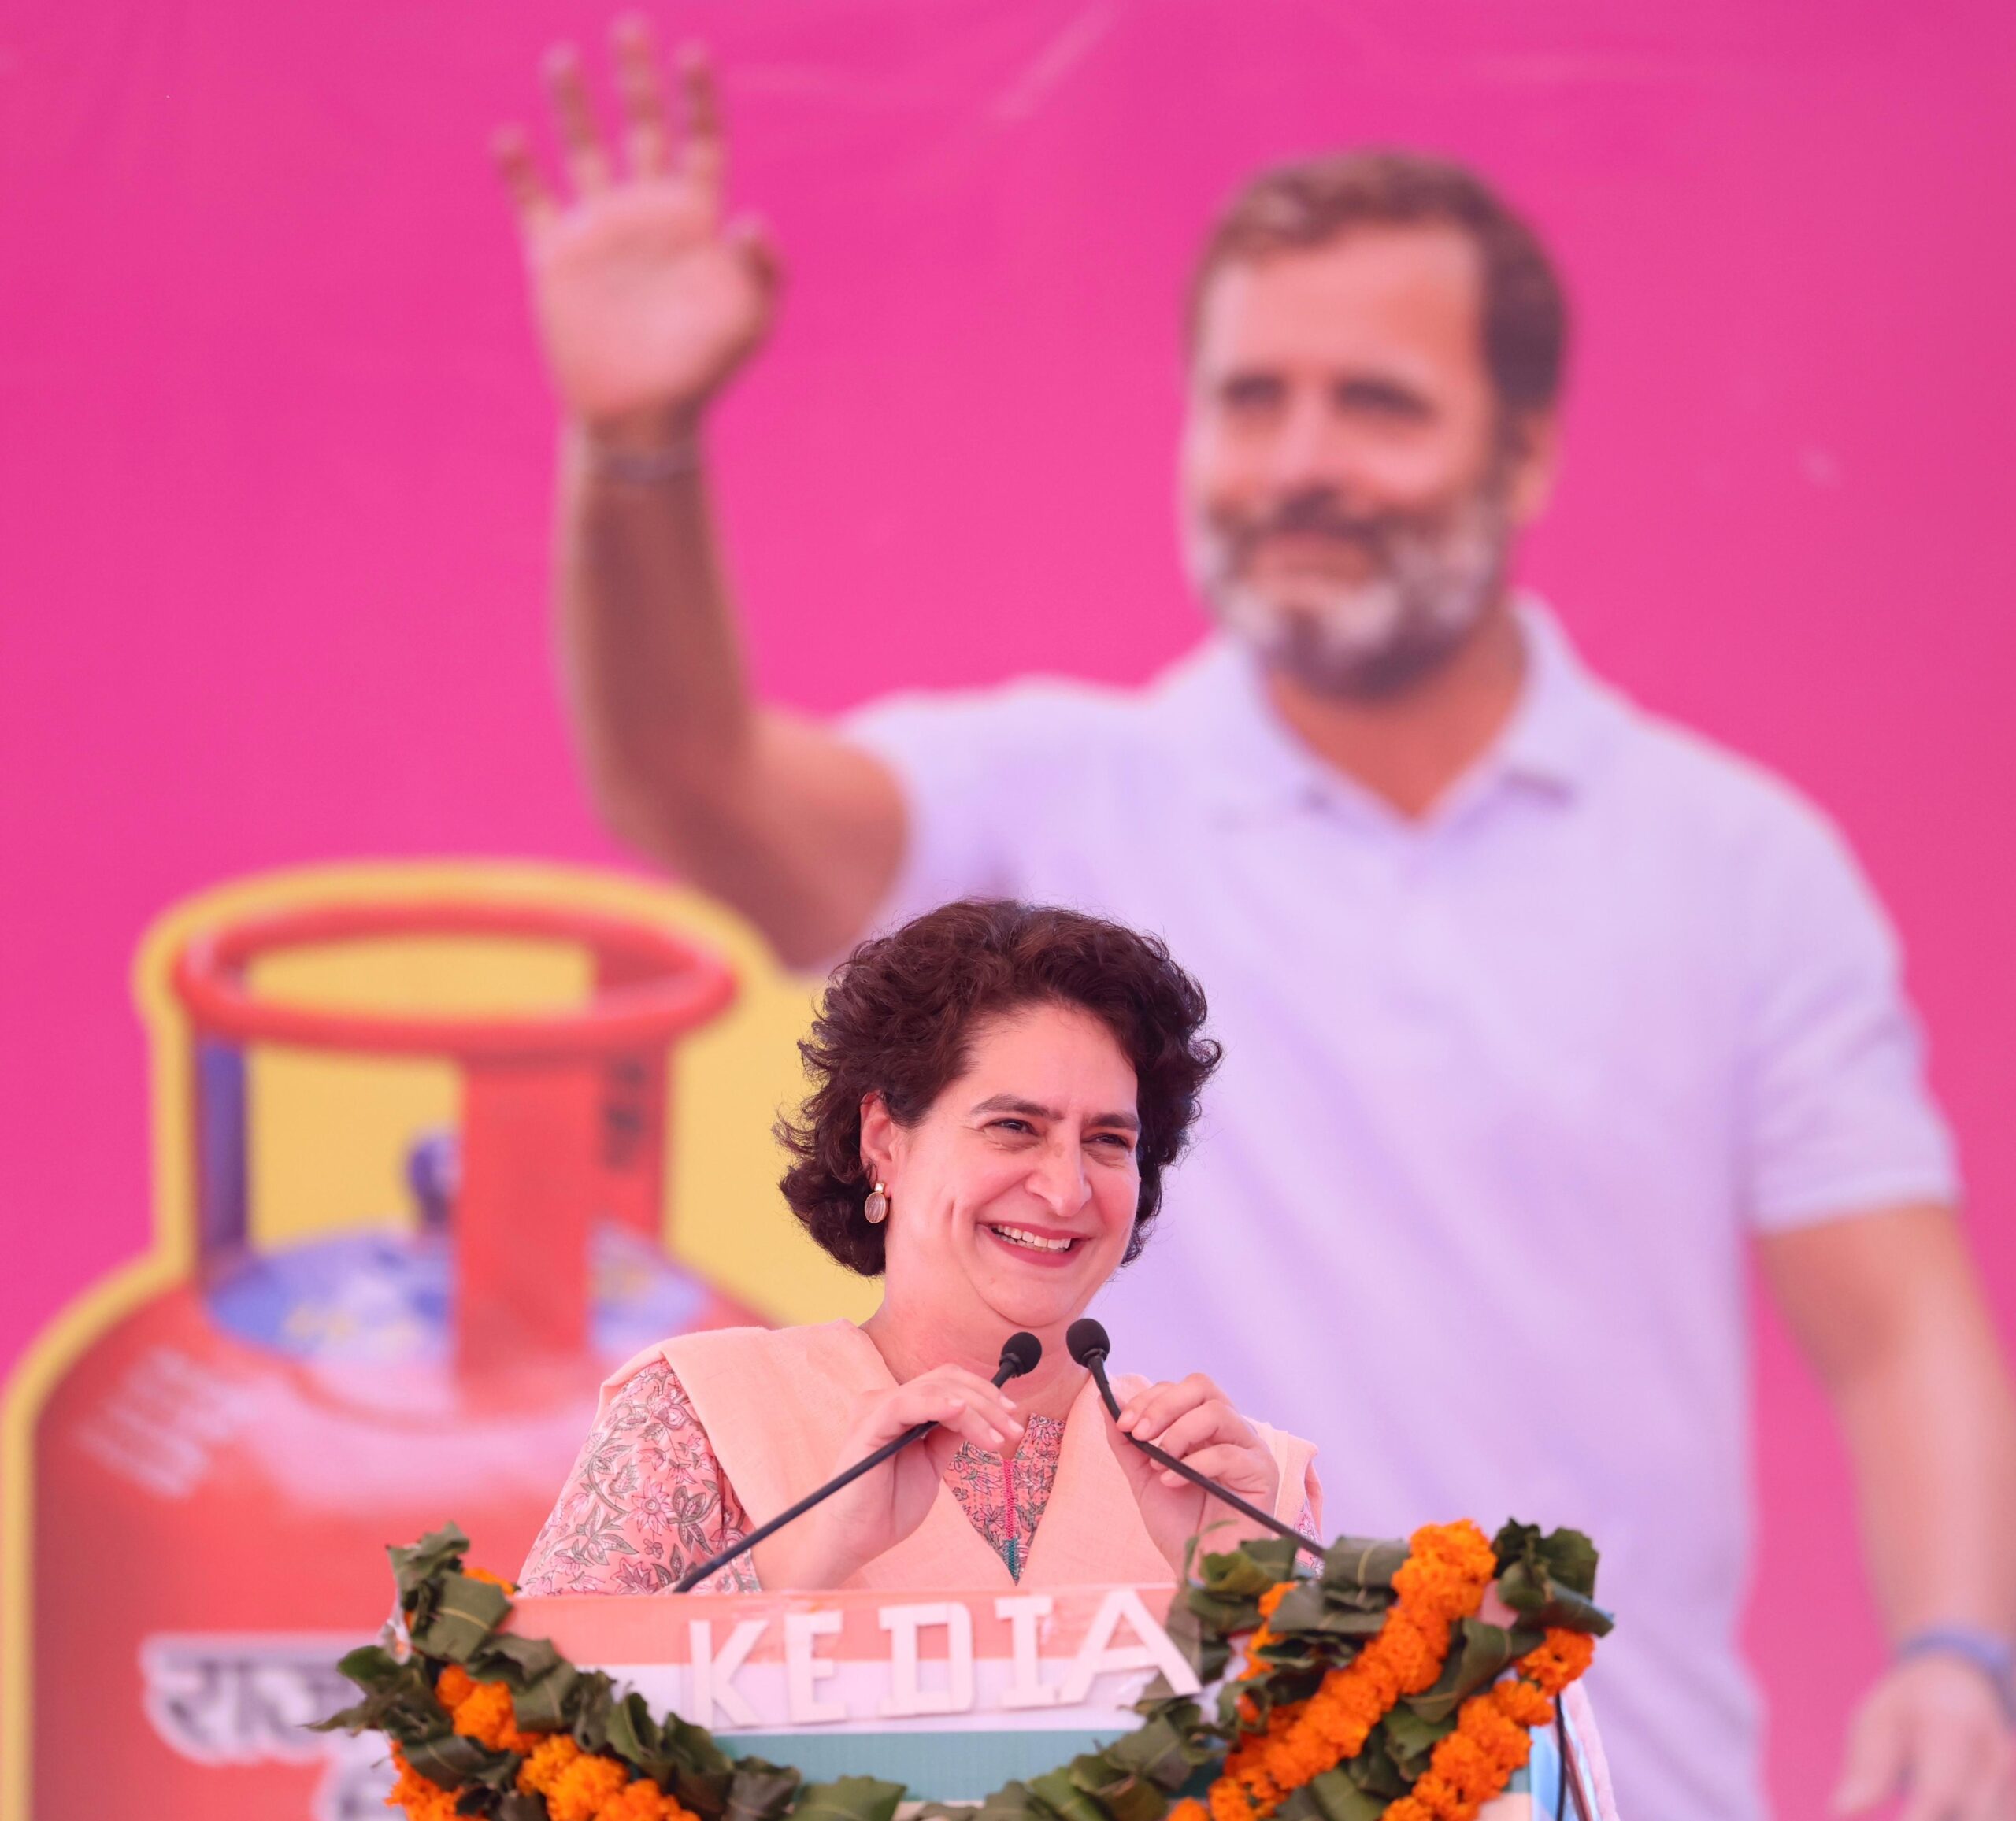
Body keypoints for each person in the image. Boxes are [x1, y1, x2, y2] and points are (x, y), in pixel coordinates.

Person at [492, 24, 2016, 1819]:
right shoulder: (1047, 801)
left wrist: (1958, 1654)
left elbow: (1896, 1325)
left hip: (1594, 1780)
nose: (1299, 459)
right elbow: (689, 778)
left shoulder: (1734, 862)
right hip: (1161, 1789)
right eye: (1248, 397)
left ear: (1519, 453)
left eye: (1374, 403)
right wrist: (637, 451)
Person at [520, 898, 1321, 1595]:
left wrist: (1247, 1600)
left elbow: (1344, 1761)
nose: (1067, 1189)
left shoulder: (1231, 1478)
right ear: (884, 1142)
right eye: (1014, 1127)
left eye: (1108, 1141)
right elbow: (523, 1733)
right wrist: (809, 1560)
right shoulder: (698, 1418)